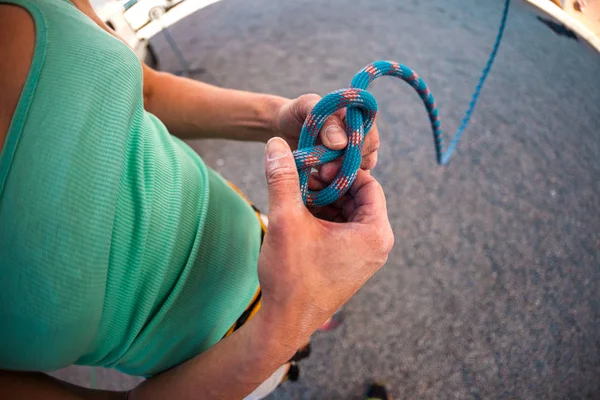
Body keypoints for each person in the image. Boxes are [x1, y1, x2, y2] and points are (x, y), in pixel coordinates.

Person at [0, 0, 394, 398]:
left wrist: (275, 119)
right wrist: (286, 323)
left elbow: (146, 90)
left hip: (252, 228)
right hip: (223, 373)